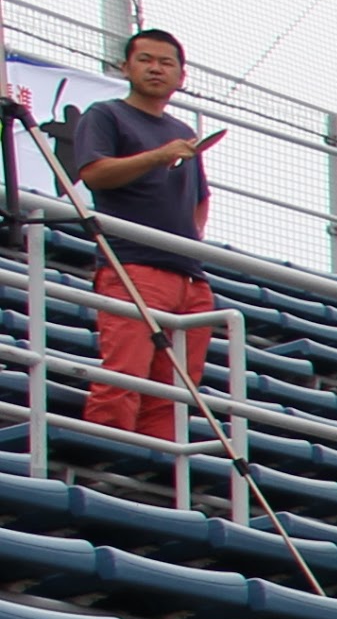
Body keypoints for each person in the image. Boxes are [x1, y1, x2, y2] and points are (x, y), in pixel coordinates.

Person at [62, 26, 222, 439]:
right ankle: (105, 454)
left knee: (175, 391)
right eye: (145, 60)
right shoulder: (106, 114)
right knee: (125, 374)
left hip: (189, 277)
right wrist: (159, 155)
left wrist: (190, 242)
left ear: (181, 76)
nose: (156, 69)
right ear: (125, 67)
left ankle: (161, 463)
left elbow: (200, 199)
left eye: (166, 62)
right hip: (133, 263)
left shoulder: (181, 131)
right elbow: (94, 173)